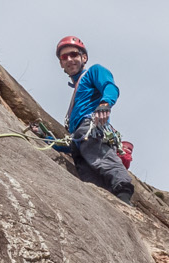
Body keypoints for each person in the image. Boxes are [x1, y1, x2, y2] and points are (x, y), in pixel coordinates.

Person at [48, 35, 133, 203]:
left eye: (73, 54)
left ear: (84, 57)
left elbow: (110, 86)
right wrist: (47, 139)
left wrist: (105, 103)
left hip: (92, 130)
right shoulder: (74, 102)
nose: (69, 59)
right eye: (64, 57)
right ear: (61, 64)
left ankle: (124, 194)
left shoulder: (94, 71)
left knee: (104, 161)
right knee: (92, 185)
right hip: (80, 142)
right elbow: (74, 143)